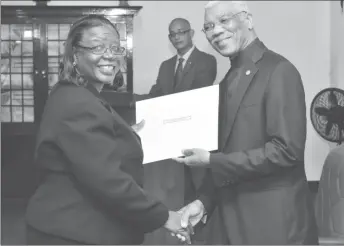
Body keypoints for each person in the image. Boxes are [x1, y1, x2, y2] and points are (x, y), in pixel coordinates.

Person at [25, 15, 191, 245]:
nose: (110, 55)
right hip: (71, 234)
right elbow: (109, 182)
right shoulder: (79, 103)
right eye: (97, 47)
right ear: (75, 55)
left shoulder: (75, 94)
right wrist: (166, 217)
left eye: (115, 47)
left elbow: (91, 143)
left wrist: (124, 132)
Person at [174, 1, 318, 245]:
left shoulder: (279, 70)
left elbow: (286, 152)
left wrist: (211, 160)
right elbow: (227, 152)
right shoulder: (226, 81)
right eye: (208, 26)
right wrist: (203, 202)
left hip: (275, 226)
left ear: (248, 20)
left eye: (224, 21)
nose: (216, 31)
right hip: (233, 222)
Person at [135, 18, 217, 245]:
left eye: (181, 32)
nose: (177, 37)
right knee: (175, 186)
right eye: (172, 34)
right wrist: (136, 102)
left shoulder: (207, 61)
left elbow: (193, 95)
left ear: (191, 33)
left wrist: (163, 104)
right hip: (170, 137)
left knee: (197, 185)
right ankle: (180, 229)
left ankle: (198, 232)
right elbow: (156, 93)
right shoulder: (165, 65)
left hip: (196, 135)